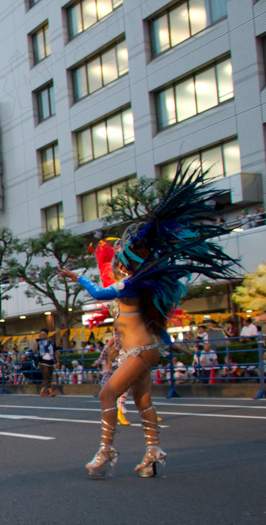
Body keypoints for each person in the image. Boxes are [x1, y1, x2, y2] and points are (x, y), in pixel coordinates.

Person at [58, 168, 237, 478]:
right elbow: (119, 322)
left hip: (141, 349)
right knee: (142, 401)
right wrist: (114, 347)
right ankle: (153, 452)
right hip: (140, 349)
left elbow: (99, 291)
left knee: (107, 394)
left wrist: (78, 277)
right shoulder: (135, 285)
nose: (113, 265)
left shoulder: (129, 284)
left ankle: (105, 451)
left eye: (116, 261)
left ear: (125, 264)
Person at [35, 329, 58, 396]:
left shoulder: (52, 342)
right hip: (42, 361)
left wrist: (57, 361)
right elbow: (34, 351)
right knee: (46, 376)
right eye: (41, 334)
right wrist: (36, 343)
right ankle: (51, 391)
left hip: (50, 361)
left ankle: (43, 391)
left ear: (47, 334)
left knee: (49, 377)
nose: (42, 336)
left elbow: (55, 351)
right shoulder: (39, 342)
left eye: (43, 334)